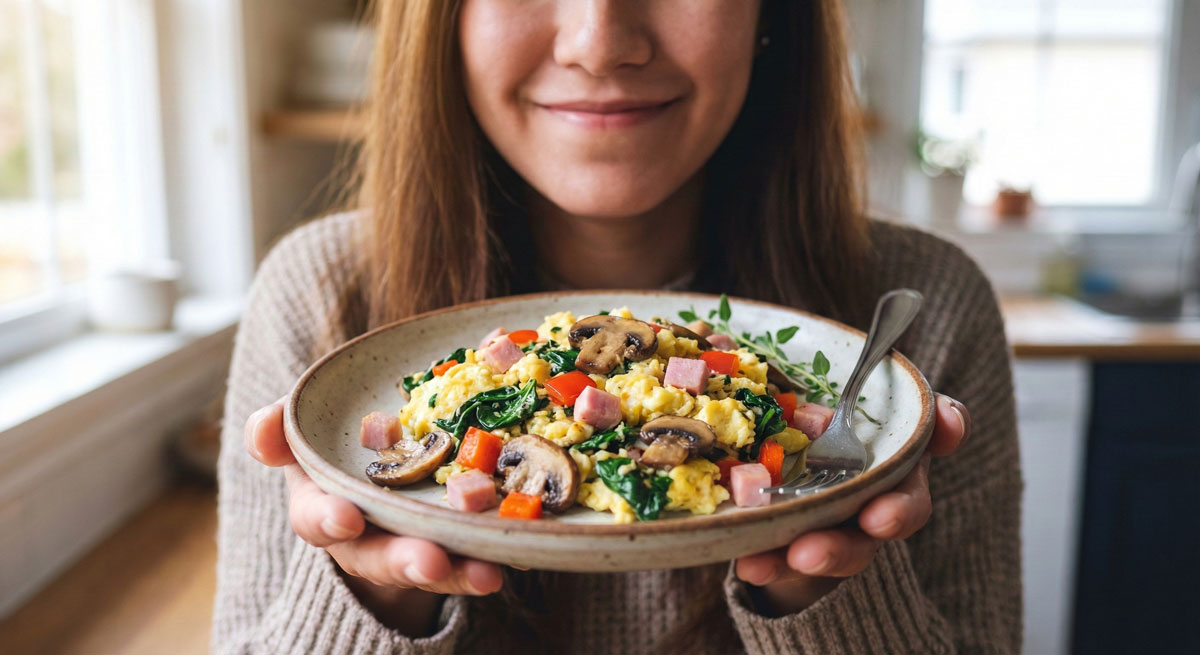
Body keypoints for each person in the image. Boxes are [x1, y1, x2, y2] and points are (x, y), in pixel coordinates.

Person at [214, 1, 1021, 653]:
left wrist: (829, 590)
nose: (599, 41)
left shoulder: (927, 309)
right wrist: (373, 593)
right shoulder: (316, 294)